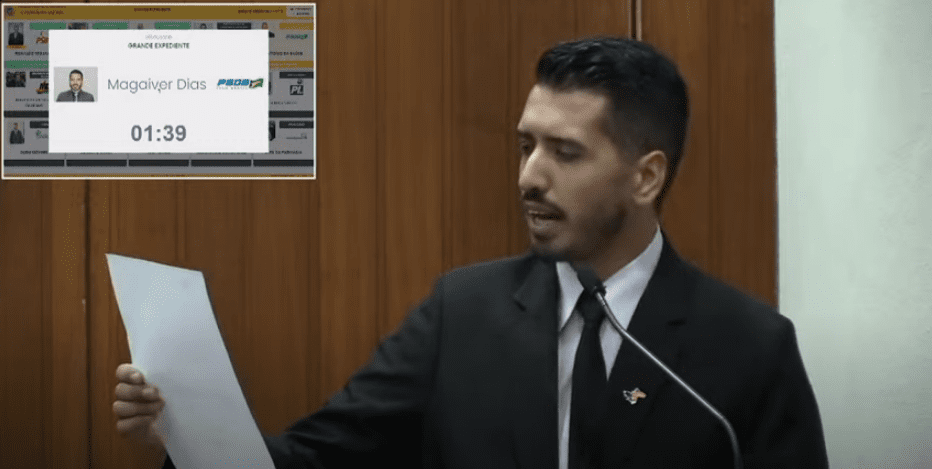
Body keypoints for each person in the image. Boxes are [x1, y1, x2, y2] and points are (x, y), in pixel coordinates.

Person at [114, 37, 829, 468]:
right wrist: (186, 430)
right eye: (525, 146)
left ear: (646, 177)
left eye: (565, 152)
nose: (529, 177)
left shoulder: (749, 347)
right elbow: (315, 458)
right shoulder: (460, 313)